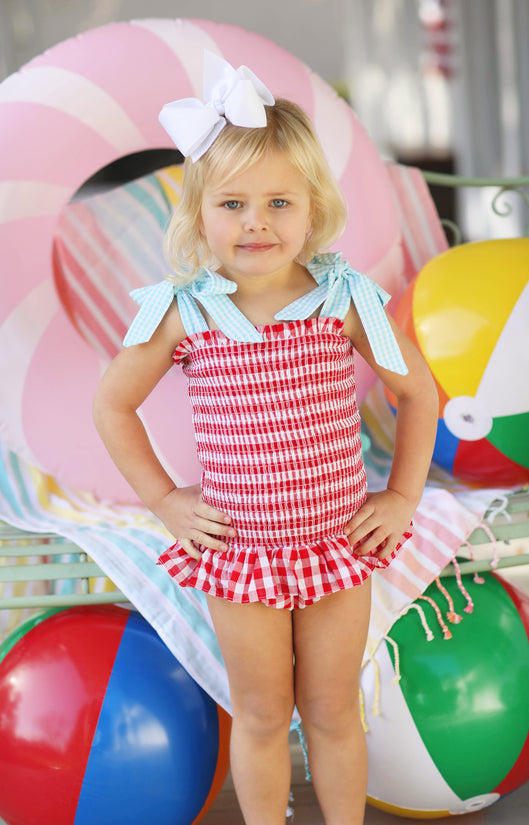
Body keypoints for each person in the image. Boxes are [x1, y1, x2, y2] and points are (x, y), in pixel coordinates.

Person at [93, 52, 439, 825]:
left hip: (335, 541)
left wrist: (404, 494)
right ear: (200, 214)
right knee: (259, 712)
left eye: (280, 202)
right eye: (234, 203)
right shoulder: (182, 312)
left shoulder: (343, 300)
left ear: (312, 211)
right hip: (240, 549)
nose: (256, 222)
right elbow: (112, 406)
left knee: (331, 706)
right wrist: (165, 499)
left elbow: (420, 393)